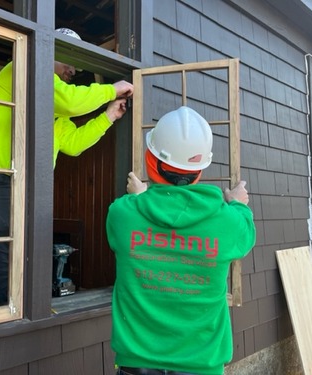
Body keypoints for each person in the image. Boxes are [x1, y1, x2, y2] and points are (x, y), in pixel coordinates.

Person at [0, 27, 133, 305]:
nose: (74, 69)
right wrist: (111, 89)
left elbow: (73, 143)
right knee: (11, 254)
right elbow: (68, 100)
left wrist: (108, 117)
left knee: (29, 254)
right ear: (49, 51)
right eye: (68, 60)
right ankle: (3, 323)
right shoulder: (21, 67)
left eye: (76, 64)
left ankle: (26, 315)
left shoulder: (54, 108)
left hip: (20, 182)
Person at [106, 106, 256, 375]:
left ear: (150, 159)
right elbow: (245, 234)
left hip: (136, 364)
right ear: (198, 171)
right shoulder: (228, 222)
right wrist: (238, 204)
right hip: (201, 365)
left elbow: (140, 216)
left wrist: (140, 197)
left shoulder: (122, 214)